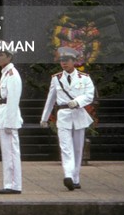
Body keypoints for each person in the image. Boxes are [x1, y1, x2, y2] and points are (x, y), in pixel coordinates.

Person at [40, 46, 96, 191]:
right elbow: (50, 99)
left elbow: (90, 95)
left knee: (78, 149)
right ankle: (68, 176)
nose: (64, 63)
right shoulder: (56, 79)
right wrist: (44, 118)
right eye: (62, 61)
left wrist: (77, 102)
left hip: (78, 114)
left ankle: (76, 178)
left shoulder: (85, 78)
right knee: (65, 148)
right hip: (63, 115)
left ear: (74, 61)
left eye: (67, 60)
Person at [0, 49, 23, 194]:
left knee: (11, 152)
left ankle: (14, 184)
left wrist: (10, 122)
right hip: (3, 114)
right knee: (7, 152)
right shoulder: (5, 72)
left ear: (9, 57)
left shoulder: (12, 74)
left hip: (9, 116)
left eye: (1, 55)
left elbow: (13, 99)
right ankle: (9, 183)